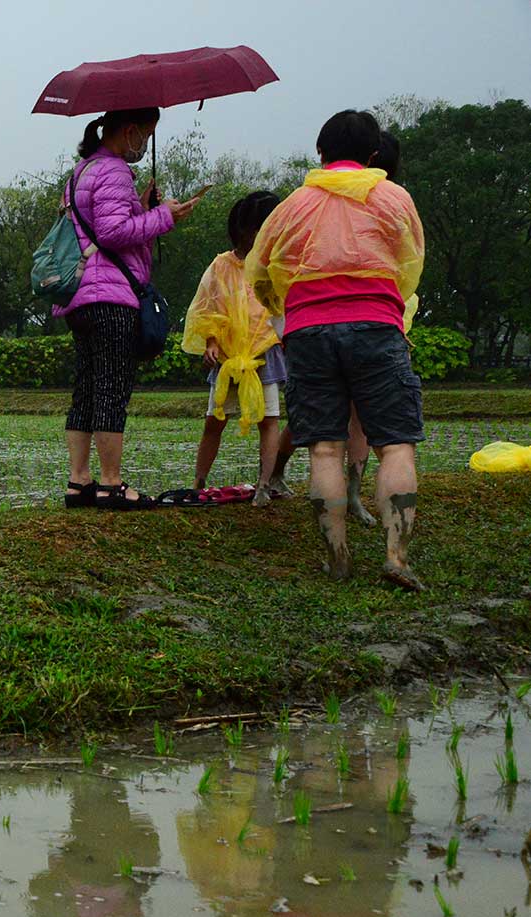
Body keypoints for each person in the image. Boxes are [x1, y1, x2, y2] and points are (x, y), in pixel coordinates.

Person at [247, 110, 426, 589]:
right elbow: (411, 265)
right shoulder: (393, 197)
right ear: (373, 157)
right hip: (376, 327)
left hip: (308, 333)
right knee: (395, 443)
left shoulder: (293, 205)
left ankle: (339, 558)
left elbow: (259, 270)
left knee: (324, 450)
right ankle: (396, 557)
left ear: (320, 153)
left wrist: (289, 309)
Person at [54, 109, 201, 510]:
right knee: (112, 389)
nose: (145, 145)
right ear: (131, 131)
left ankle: (79, 481)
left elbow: (98, 227)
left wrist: (140, 207)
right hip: (110, 296)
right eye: (147, 136)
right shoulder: (115, 171)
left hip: (79, 297)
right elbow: (113, 233)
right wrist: (163, 216)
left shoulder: (81, 172)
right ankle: (111, 484)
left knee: (86, 389)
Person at [184, 191, 288, 503]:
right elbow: (207, 310)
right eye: (260, 228)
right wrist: (212, 343)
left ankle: (264, 485)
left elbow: (283, 310)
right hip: (228, 358)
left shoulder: (275, 268)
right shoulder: (220, 266)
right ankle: (198, 483)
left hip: (264, 355)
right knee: (214, 421)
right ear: (243, 230)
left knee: (269, 420)